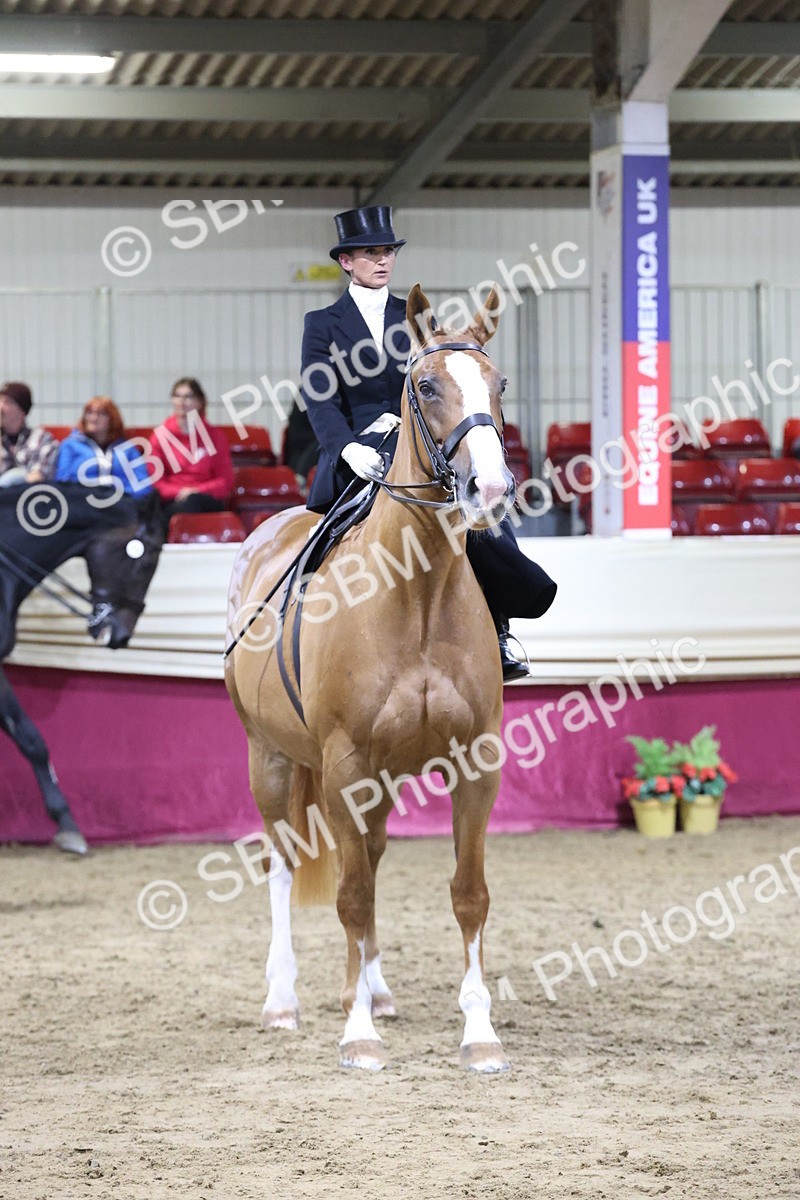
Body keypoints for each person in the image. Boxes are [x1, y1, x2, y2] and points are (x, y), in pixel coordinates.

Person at [300, 206, 556, 680]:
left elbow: (444, 389)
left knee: (477, 520)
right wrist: (346, 448)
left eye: (388, 253)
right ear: (347, 262)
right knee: (316, 544)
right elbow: (319, 398)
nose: (382, 261)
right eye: (371, 253)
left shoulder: (416, 318)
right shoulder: (322, 323)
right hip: (356, 451)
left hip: (415, 448)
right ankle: (298, 630)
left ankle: (498, 631)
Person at [148, 377, 234, 520]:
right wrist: (179, 492)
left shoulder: (215, 436)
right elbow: (156, 482)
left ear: (199, 402)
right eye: (177, 396)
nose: (182, 401)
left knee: (193, 502)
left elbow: (225, 480)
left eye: (188, 396)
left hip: (206, 499)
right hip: (173, 501)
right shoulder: (159, 437)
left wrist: (196, 491)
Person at [55, 396, 153, 497]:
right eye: (89, 413)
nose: (93, 418)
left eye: (101, 414)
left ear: (112, 419)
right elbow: (63, 482)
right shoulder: (70, 446)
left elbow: (143, 485)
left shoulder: (127, 449)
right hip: (83, 503)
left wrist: (121, 496)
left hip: (121, 503)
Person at [0, 381, 58, 487]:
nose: (1, 407)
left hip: (25, 498)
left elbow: (38, 476)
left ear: (22, 410)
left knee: (17, 475)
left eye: (7, 402)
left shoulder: (42, 439)